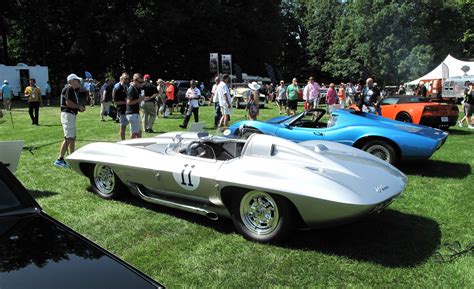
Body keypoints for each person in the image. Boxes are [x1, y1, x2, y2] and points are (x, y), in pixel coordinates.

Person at [54, 74, 85, 168]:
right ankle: (60, 159)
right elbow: (68, 103)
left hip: (70, 115)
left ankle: (72, 157)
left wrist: (79, 107)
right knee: (69, 137)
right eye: (77, 80)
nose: (79, 82)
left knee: (72, 137)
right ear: (71, 81)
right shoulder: (69, 88)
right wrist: (78, 107)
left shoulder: (71, 89)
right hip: (67, 115)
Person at [126, 73, 146, 138]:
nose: (142, 83)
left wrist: (142, 99)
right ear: (135, 81)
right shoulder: (132, 89)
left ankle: (139, 146)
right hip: (132, 113)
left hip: (135, 113)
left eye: (142, 82)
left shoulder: (136, 88)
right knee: (134, 133)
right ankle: (129, 147)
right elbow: (128, 102)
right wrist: (139, 100)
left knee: (139, 132)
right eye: (140, 82)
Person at [113, 72, 130, 140]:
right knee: (123, 127)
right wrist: (126, 102)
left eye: (128, 79)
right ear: (122, 78)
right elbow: (115, 102)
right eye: (126, 79)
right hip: (122, 110)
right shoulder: (118, 88)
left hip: (128, 109)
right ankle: (123, 141)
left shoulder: (127, 86)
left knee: (127, 126)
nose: (127, 80)